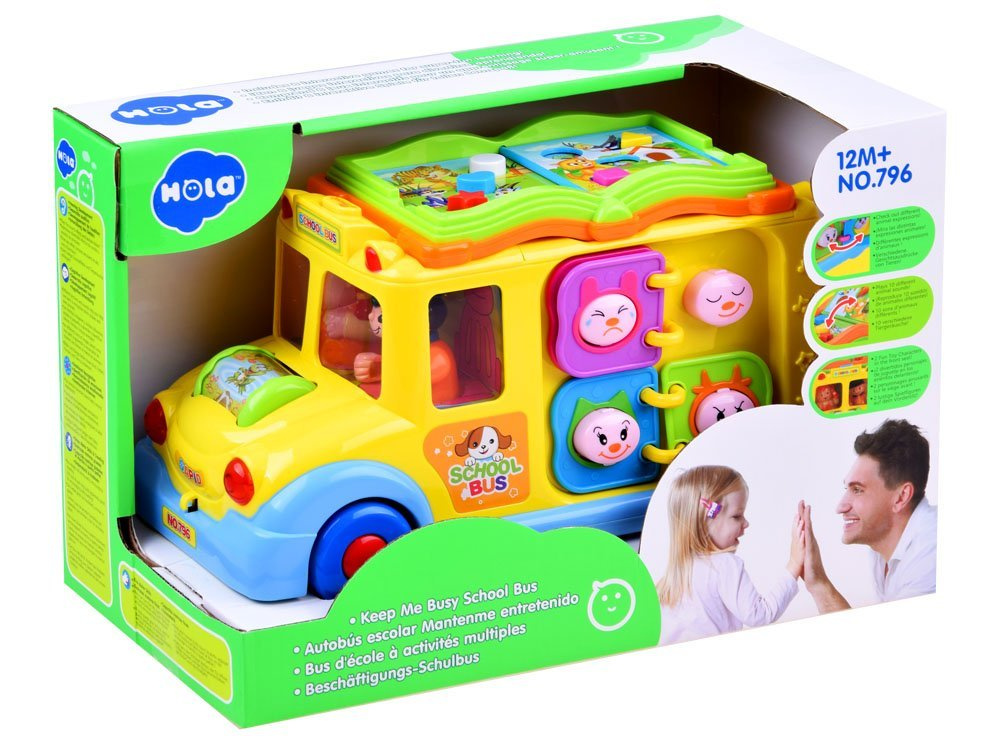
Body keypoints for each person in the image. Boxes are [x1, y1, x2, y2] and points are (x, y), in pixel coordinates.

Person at [657, 465, 804, 644]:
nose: (746, 523)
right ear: (705, 520)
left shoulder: (672, 577)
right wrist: (794, 565)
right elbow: (760, 615)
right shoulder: (724, 565)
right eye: (737, 516)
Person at [802, 419, 936, 612]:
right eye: (847, 489)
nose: (840, 507)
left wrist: (819, 584)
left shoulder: (930, 555)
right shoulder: (880, 549)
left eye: (857, 490)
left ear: (901, 497)